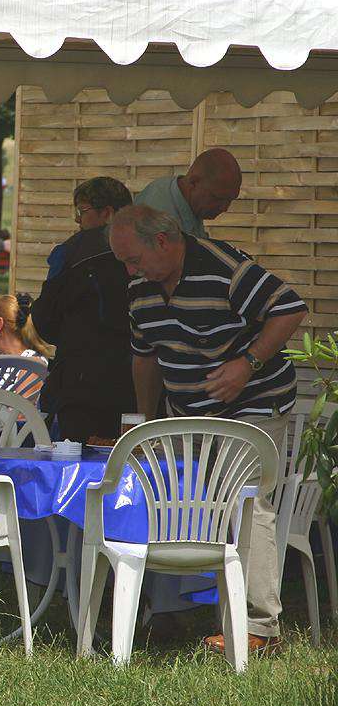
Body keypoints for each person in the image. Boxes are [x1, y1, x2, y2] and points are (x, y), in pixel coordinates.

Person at [109, 204, 308, 655]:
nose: (130, 271)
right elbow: (145, 357)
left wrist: (247, 362)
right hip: (188, 411)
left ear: (163, 241)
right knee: (167, 493)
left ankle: (259, 628)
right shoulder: (140, 288)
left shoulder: (224, 267)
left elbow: (290, 308)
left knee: (245, 499)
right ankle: (168, 610)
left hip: (253, 403)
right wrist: (145, 420)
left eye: (133, 259)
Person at [31, 177, 136, 443]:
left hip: (81, 380)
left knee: (78, 458)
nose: (77, 219)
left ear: (107, 212)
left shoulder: (71, 251)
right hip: (137, 378)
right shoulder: (148, 248)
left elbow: (44, 317)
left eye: (82, 211)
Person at [133, 148, 242, 238]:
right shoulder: (159, 218)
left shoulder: (188, 200)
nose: (225, 208)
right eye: (218, 198)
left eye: (229, 200)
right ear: (193, 182)